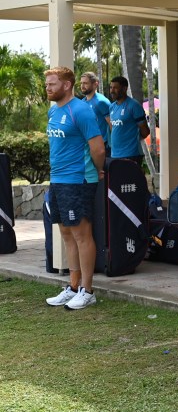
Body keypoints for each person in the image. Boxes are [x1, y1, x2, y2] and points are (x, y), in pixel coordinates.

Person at [43, 67, 106, 311]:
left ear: (67, 85)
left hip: (78, 180)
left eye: (52, 84)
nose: (48, 88)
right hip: (58, 180)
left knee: (82, 234)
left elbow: (98, 149)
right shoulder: (53, 111)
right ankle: (73, 286)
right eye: (47, 84)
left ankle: (88, 291)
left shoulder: (81, 110)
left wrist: (98, 170)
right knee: (66, 234)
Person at [108, 76, 148, 162]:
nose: (112, 91)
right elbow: (114, 128)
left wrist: (131, 140)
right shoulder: (111, 107)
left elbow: (145, 131)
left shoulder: (134, 105)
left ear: (124, 89)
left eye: (115, 88)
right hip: (114, 155)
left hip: (132, 155)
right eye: (111, 87)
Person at [79, 72, 110, 156]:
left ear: (95, 84)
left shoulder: (101, 102)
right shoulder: (82, 102)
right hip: (87, 146)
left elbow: (112, 125)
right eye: (81, 83)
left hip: (101, 146)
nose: (82, 86)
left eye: (85, 83)